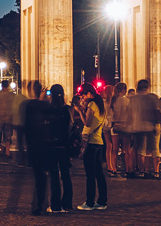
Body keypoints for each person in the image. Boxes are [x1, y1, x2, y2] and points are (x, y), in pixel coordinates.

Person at [76, 83, 108, 211]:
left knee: (90, 174)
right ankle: (102, 201)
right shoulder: (101, 105)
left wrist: (80, 111)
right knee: (99, 174)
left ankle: (89, 202)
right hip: (99, 141)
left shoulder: (91, 104)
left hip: (90, 141)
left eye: (83, 96)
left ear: (89, 94)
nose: (83, 98)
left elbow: (87, 123)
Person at [45, 84, 74, 213]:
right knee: (66, 175)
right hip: (64, 146)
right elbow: (69, 128)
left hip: (51, 146)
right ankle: (67, 203)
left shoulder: (48, 109)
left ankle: (55, 205)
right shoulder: (67, 109)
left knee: (54, 176)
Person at [23, 80, 50, 215]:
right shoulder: (46, 105)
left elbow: (25, 127)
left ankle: (39, 203)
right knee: (45, 175)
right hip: (46, 143)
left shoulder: (28, 105)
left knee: (38, 174)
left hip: (34, 143)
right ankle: (44, 202)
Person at [128, 79, 161, 178]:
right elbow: (158, 110)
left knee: (141, 150)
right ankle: (156, 171)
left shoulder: (134, 99)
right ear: (148, 87)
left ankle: (142, 171)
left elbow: (130, 113)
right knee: (155, 149)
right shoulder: (153, 97)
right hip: (153, 125)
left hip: (140, 126)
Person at [110, 82, 131, 177]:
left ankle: (114, 169)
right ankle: (127, 169)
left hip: (115, 126)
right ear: (123, 90)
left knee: (114, 150)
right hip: (125, 126)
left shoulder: (113, 100)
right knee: (127, 150)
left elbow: (110, 115)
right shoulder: (127, 101)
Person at [0, 80, 15, 158]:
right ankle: (7, 153)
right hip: (8, 117)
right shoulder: (12, 95)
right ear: (8, 85)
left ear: (1, 85)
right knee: (8, 136)